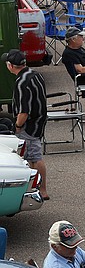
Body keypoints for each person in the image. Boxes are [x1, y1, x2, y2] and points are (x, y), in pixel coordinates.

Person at [7, 49, 47, 200]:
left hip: (29, 125)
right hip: (40, 121)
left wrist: (17, 126)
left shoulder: (21, 82)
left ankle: (42, 190)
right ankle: (37, 187)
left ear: (10, 65)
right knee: (33, 157)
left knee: (34, 158)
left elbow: (24, 110)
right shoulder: (35, 74)